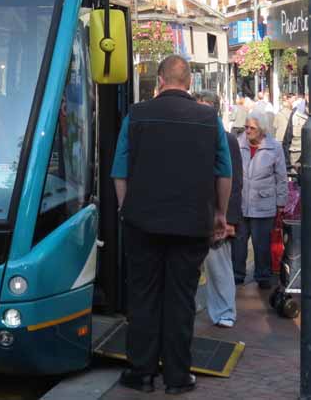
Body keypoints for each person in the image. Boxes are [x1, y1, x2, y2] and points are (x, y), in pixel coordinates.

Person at [112, 56, 231, 395]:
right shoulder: (210, 118)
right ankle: (178, 377)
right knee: (181, 300)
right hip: (192, 224)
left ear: (160, 81)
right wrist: (220, 213)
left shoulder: (136, 115)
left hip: (143, 223)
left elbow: (120, 172)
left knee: (144, 297)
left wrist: (126, 209)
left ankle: (142, 373)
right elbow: (223, 172)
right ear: (189, 82)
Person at [196, 90, 242, 328]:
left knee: (219, 266)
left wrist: (230, 219)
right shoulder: (193, 138)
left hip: (217, 215)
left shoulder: (228, 139)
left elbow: (235, 181)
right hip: (196, 212)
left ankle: (225, 311)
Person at [233, 108, 287, 289]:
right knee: (239, 243)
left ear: (262, 129)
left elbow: (281, 177)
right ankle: (237, 274)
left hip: (264, 204)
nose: (247, 131)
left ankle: (263, 276)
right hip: (241, 203)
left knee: (261, 243)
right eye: (246, 127)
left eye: (252, 128)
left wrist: (281, 203)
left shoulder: (274, 147)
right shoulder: (238, 143)